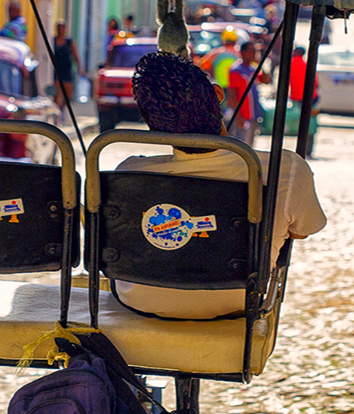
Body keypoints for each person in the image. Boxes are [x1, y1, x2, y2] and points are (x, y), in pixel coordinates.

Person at [113, 52, 325, 318]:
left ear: (151, 123)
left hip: (140, 301)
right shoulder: (286, 170)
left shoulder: (128, 174)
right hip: (238, 302)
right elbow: (303, 230)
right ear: (217, 93)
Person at [51, 22, 79, 105]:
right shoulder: (53, 41)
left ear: (65, 29)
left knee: (68, 93)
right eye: (58, 28)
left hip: (67, 69)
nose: (60, 30)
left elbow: (75, 55)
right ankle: (57, 109)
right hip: (57, 69)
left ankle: (63, 108)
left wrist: (79, 68)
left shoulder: (69, 42)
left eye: (62, 28)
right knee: (56, 92)